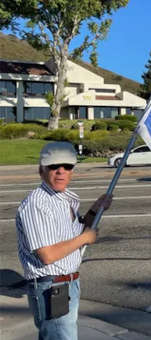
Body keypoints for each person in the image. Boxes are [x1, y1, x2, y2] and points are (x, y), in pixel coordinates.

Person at [16, 142, 112, 340]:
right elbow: (48, 255)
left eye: (67, 167)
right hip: (51, 287)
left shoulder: (64, 198)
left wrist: (95, 209)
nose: (61, 172)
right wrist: (84, 238)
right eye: (54, 167)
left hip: (68, 283)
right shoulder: (37, 204)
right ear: (41, 170)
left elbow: (77, 231)